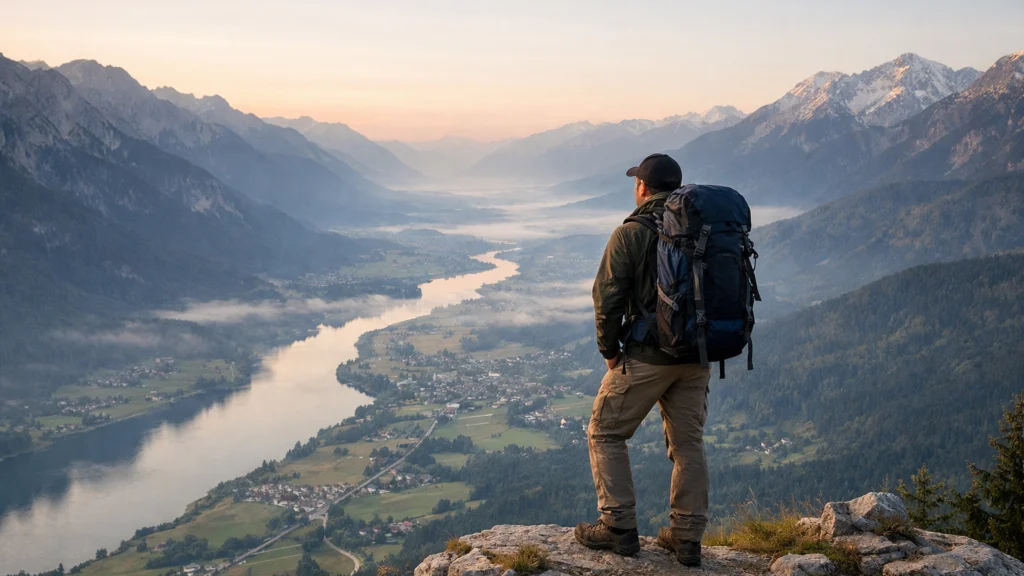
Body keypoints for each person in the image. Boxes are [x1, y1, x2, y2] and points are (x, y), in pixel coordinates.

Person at [574, 153, 710, 567]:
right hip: (698, 355)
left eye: (637, 182)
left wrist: (610, 351)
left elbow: (607, 297)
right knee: (688, 444)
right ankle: (686, 539)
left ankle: (618, 527)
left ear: (643, 188)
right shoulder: (704, 227)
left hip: (649, 355)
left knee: (605, 432)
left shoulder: (630, 233)